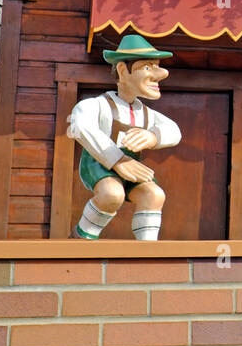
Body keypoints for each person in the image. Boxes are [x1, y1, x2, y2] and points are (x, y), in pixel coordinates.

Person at [67, 34, 180, 240]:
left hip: (132, 167)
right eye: (147, 67)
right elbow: (79, 125)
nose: (160, 73)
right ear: (122, 70)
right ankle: (82, 239)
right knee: (112, 194)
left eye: (157, 66)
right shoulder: (99, 105)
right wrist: (116, 159)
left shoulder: (145, 113)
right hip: (99, 163)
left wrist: (153, 136)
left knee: (154, 195)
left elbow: (174, 130)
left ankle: (147, 251)